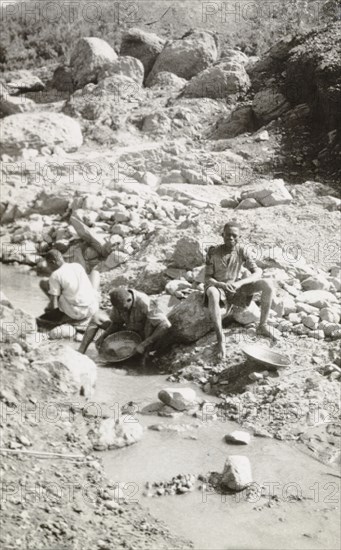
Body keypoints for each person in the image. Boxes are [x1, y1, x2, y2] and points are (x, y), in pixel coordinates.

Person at [204, 222, 279, 359]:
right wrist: (220, 284)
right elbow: (208, 278)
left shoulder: (242, 250)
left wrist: (240, 283)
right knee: (213, 293)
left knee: (267, 284)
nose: (231, 238)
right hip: (218, 287)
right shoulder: (213, 251)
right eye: (228, 235)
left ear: (239, 237)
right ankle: (221, 339)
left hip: (235, 287)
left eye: (234, 236)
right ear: (222, 235)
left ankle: (262, 325)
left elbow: (257, 272)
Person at [78, 287, 171, 359]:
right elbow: (116, 323)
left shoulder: (144, 302)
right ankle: (80, 353)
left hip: (145, 337)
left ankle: (143, 358)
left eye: (124, 309)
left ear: (129, 300)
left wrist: (146, 343)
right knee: (96, 318)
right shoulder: (119, 304)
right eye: (119, 310)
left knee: (150, 323)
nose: (122, 312)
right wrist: (103, 337)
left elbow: (165, 324)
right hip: (129, 333)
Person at [38, 249, 99, 329]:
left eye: (49, 265)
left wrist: (49, 314)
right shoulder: (77, 266)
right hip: (92, 308)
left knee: (58, 295)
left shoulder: (55, 275)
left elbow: (54, 305)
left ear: (53, 262)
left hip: (79, 313)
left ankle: (68, 317)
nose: (49, 268)